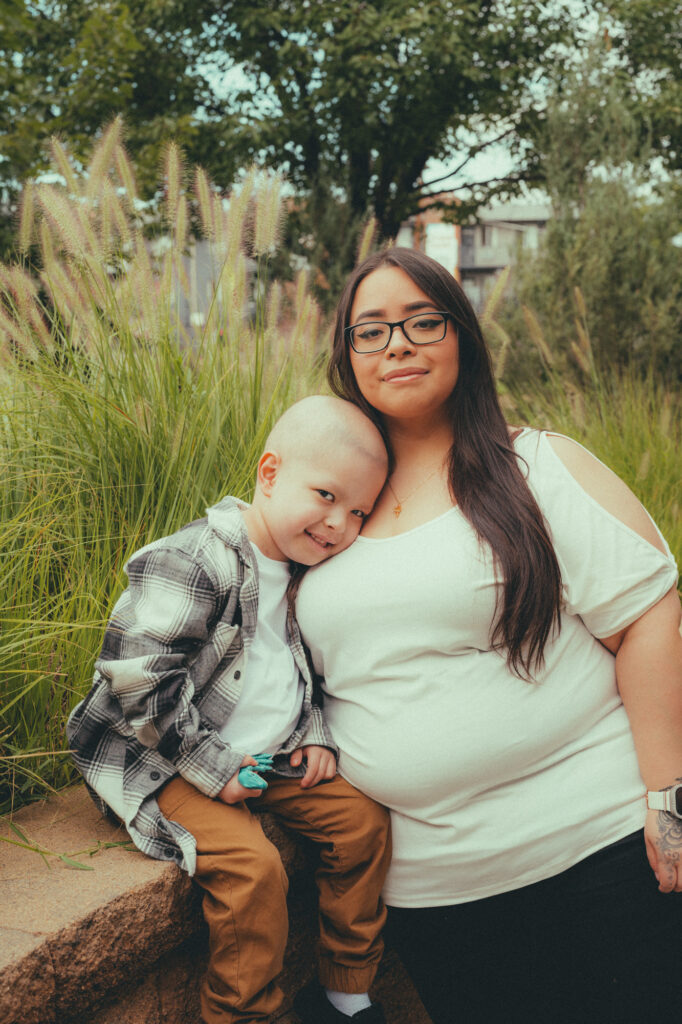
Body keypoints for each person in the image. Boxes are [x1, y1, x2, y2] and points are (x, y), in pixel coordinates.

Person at [295, 248, 682, 1024]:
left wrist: (670, 801)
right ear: (346, 357)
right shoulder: (328, 500)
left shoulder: (535, 468)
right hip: (437, 896)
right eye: (369, 331)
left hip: (598, 857)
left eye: (421, 322)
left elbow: (650, 615)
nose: (396, 344)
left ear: (462, 337)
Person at [66, 395, 392, 1024]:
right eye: (325, 495)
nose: (338, 524)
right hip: (164, 758)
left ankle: (346, 995)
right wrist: (216, 769)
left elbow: (304, 671)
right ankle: (244, 1015)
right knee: (253, 871)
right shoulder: (194, 560)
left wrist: (315, 733)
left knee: (363, 825)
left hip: (260, 756)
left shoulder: (305, 570)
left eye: (358, 511)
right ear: (269, 474)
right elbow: (140, 681)